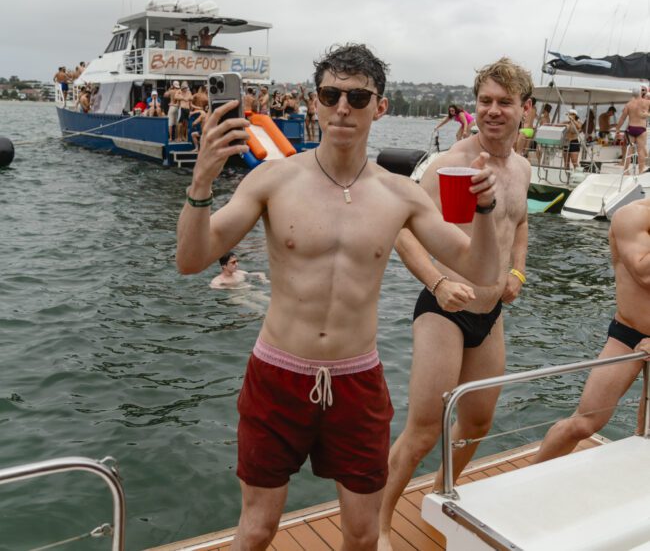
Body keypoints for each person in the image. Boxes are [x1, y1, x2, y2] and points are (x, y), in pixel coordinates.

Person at [176, 43, 501, 551]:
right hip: (277, 375)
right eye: (331, 95)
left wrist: (485, 212)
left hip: (356, 381)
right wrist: (201, 183)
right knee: (257, 529)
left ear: (380, 106)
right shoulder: (274, 179)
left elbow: (480, 269)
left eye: (357, 96)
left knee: (361, 533)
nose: (343, 107)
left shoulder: (398, 194)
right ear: (314, 102)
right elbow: (192, 260)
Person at [379, 57, 532, 550]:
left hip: (491, 312)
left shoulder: (523, 168)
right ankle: (378, 524)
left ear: (523, 109)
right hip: (444, 308)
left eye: (504, 102)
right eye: (484, 101)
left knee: (480, 419)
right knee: (424, 428)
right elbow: (401, 229)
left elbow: (520, 225)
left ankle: (442, 489)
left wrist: (516, 272)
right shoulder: (451, 165)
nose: (493, 111)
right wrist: (438, 283)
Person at [533, 197, 650, 463]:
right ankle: (523, 481)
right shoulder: (632, 216)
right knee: (584, 423)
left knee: (647, 432)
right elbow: (644, 273)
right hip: (628, 335)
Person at [615, 87, 650, 173]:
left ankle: (626, 171)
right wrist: (648, 114)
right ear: (640, 93)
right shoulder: (647, 102)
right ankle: (640, 171)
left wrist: (617, 129)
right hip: (641, 129)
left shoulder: (629, 104)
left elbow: (622, 118)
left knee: (629, 151)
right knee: (641, 150)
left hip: (631, 129)